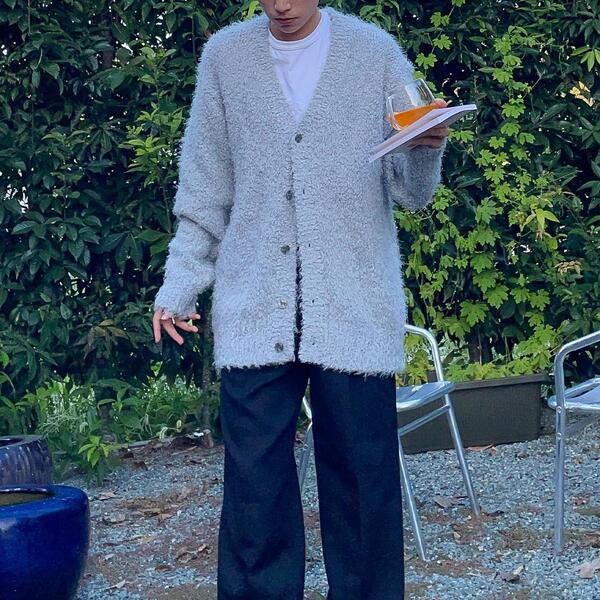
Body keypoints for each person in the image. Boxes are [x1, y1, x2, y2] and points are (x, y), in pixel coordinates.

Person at [152, 1, 449, 598]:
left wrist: (425, 147)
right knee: (254, 494)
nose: (281, 5)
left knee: (362, 486)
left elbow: (412, 195)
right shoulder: (225, 58)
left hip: (353, 305)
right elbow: (205, 187)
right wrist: (180, 284)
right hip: (253, 304)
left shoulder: (374, 53)